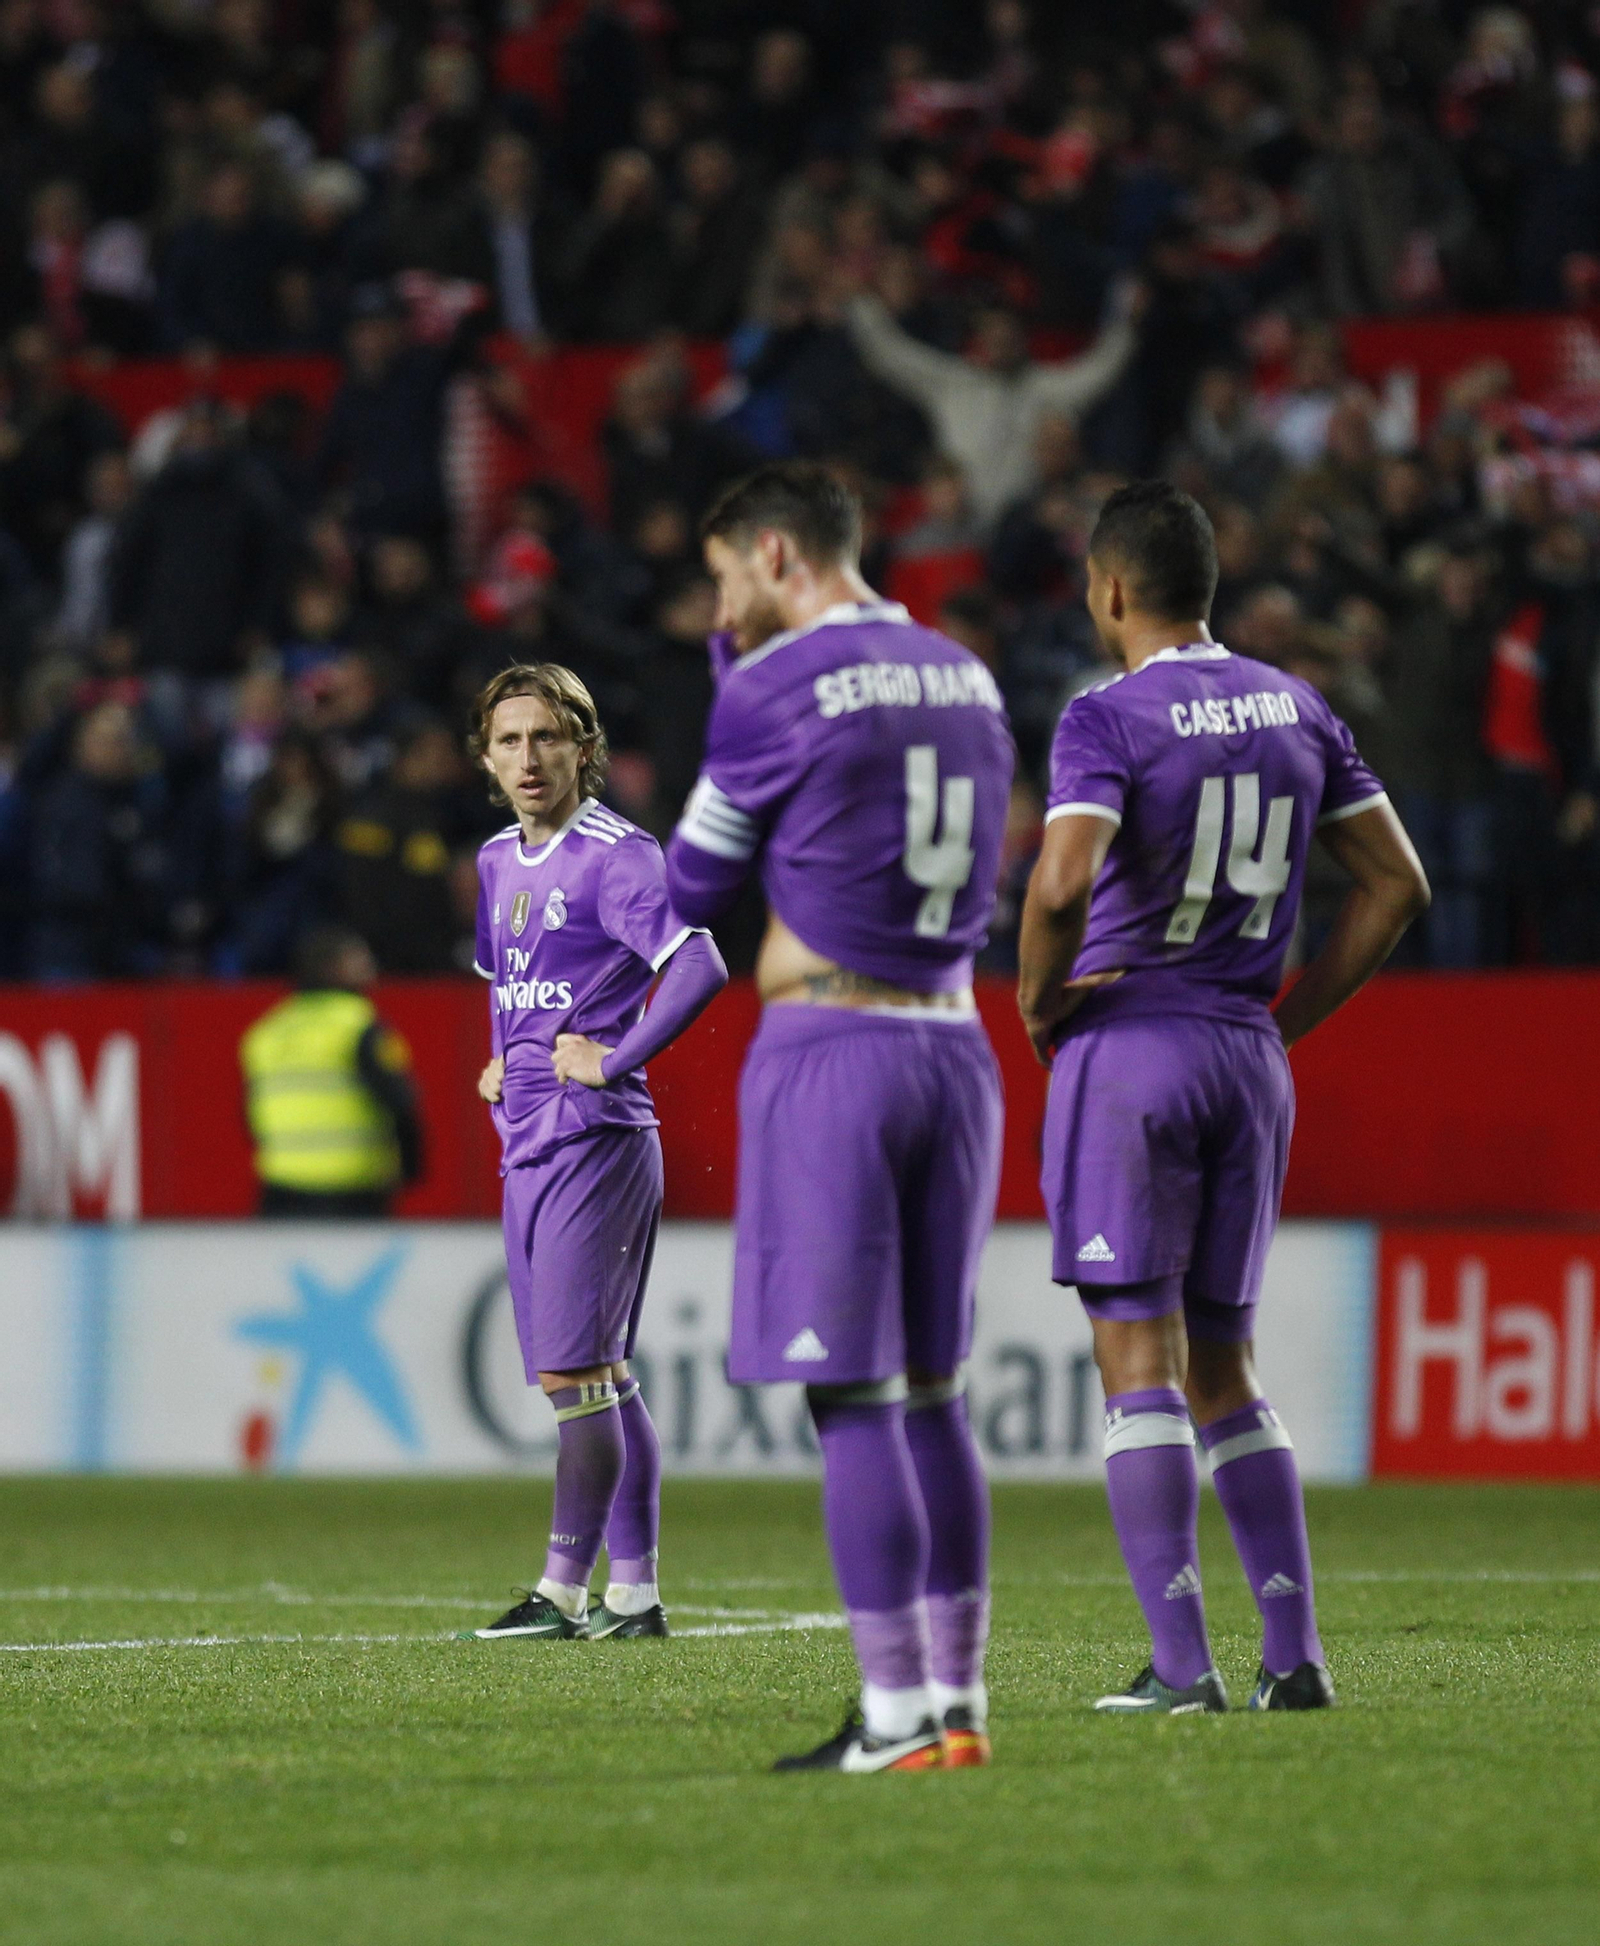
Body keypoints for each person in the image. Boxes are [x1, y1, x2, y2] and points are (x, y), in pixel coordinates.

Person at [1016, 482, 1429, 1714]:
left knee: (1136, 1355)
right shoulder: (1299, 705)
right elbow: (1396, 884)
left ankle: (1182, 1666)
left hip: (1133, 1041)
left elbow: (1059, 880)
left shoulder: (1106, 714)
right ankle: (1295, 1659)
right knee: (1226, 1369)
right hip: (1247, 1054)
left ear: (1109, 590)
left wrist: (1041, 1003)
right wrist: (1281, 1019)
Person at [664, 463, 1014, 1772]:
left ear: (773, 553)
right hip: (955, 1042)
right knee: (937, 1392)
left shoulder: (770, 685)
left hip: (833, 1046)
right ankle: (960, 1705)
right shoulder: (966, 672)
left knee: (851, 1395)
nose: (722, 598)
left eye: (723, 574)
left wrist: (724, 693)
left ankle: (889, 1718)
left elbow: (694, 881)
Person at [466, 662, 726, 1643]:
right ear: (487, 758)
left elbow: (699, 961)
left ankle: (561, 1591)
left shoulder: (618, 855)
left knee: (579, 1375)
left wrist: (615, 1057)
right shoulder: (496, 861)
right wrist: (502, 1057)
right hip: (528, 1138)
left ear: (583, 745)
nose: (529, 758)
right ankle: (635, 1596)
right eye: (509, 741)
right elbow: (515, 983)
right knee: (597, 1377)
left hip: (598, 1140)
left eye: (546, 738)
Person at [240, 924, 422, 1217]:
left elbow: (252, 1115)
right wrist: (412, 1167)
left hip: (281, 1188)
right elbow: (401, 1102)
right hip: (353, 1191)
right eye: (357, 959)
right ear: (332, 968)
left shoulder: (266, 1031)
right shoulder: (361, 1027)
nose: (369, 966)